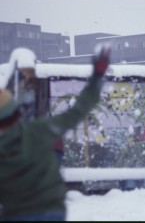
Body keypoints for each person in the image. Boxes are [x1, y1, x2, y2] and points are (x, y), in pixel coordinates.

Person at [0, 45, 110, 221]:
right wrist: (97, 77)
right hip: (52, 212)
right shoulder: (40, 130)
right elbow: (78, 111)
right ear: (15, 111)